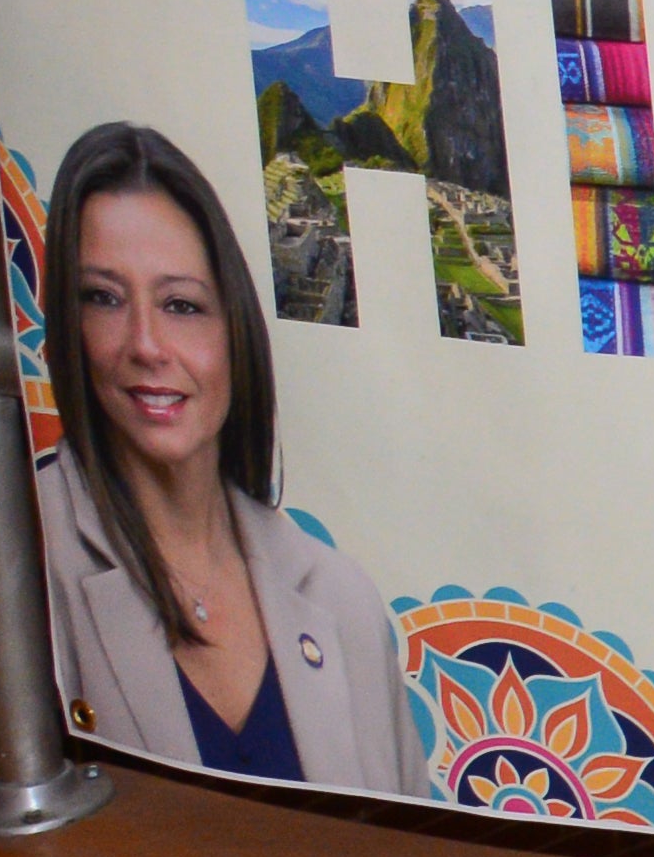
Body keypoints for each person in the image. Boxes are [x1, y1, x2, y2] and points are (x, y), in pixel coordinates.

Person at [34, 121, 409, 793]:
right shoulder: (20, 570)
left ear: (234, 331)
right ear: (66, 323)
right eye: (103, 298)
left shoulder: (342, 601)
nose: (146, 343)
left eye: (182, 304)